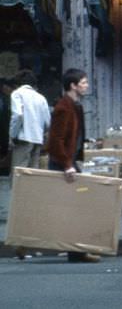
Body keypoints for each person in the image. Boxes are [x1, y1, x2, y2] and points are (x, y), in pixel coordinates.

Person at [46, 68, 101, 263]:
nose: (86, 86)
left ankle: (77, 251)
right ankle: (76, 252)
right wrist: (68, 165)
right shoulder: (63, 108)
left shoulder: (75, 106)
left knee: (76, 207)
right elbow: (56, 140)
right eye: (84, 82)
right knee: (75, 207)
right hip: (62, 164)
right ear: (73, 85)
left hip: (69, 162)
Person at [9, 69, 51, 175]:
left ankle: (19, 192)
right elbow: (48, 122)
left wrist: (12, 135)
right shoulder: (41, 98)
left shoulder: (17, 94)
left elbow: (18, 115)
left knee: (19, 174)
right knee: (33, 176)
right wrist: (41, 132)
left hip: (22, 138)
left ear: (17, 83)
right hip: (37, 139)